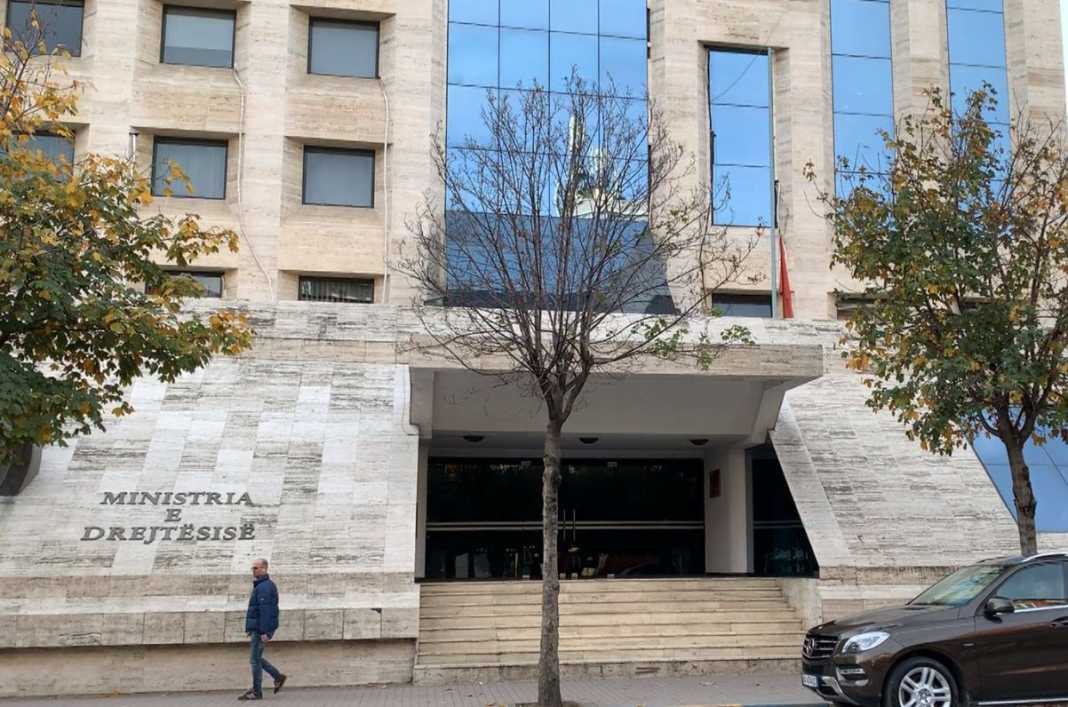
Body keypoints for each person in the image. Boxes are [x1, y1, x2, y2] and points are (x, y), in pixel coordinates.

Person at [239, 558, 287, 700]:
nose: (253, 570)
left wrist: (264, 632)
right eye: (252, 568)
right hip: (258, 628)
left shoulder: (264, 587)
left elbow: (265, 611)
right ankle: (278, 677)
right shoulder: (262, 586)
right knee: (256, 658)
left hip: (261, 629)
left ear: (264, 569)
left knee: (254, 660)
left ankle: (257, 691)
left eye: (256, 568)